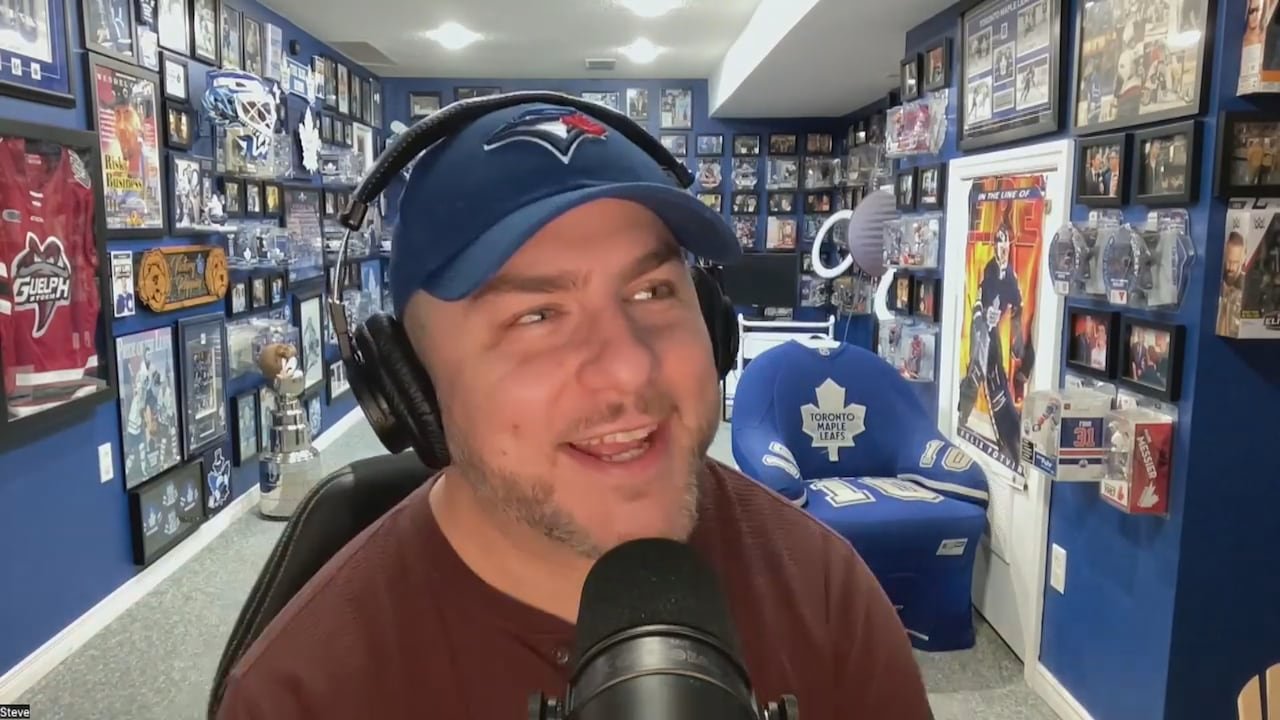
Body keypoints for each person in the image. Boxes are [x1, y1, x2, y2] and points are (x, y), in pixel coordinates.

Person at [215, 102, 934, 719]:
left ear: (714, 326)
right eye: (537, 315)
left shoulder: (828, 596)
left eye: (652, 293)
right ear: (413, 388)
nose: (628, 367)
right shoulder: (302, 694)